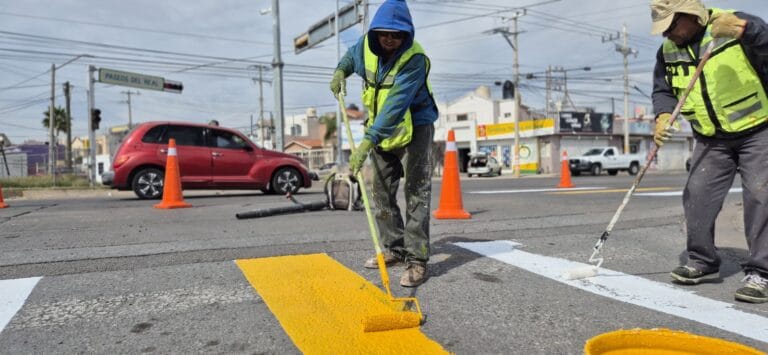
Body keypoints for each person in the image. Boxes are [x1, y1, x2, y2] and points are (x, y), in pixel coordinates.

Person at [650, 0, 768, 303]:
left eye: (671, 26)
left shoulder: (735, 25)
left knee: (760, 194)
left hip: (758, 129)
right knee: (697, 194)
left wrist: (747, 31)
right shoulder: (667, 51)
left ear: (691, 15)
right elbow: (663, 89)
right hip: (710, 138)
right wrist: (662, 115)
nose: (667, 35)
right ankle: (702, 260)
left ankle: (762, 272)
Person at [329, 0, 438, 287]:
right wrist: (340, 71)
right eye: (384, 33)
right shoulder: (366, 45)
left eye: (396, 34)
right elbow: (351, 58)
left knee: (416, 191)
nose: (389, 39)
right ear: (375, 32)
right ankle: (394, 248)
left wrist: (366, 143)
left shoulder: (414, 59)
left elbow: (395, 107)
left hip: (416, 128)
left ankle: (417, 259)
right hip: (379, 130)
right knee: (380, 192)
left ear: (406, 34)